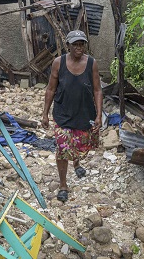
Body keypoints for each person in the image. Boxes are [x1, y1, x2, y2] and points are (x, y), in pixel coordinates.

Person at [41, 30, 103, 202]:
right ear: (67, 45)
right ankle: (63, 185)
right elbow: (51, 89)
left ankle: (76, 162)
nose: (78, 47)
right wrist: (45, 114)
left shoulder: (92, 63)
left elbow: (98, 90)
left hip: (84, 113)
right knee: (62, 148)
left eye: (81, 44)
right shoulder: (58, 63)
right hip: (63, 114)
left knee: (78, 143)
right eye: (75, 44)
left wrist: (98, 115)